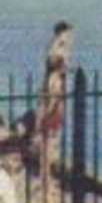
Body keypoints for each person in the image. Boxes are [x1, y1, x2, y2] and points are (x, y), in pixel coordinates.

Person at [34, 53, 67, 181]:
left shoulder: (48, 78)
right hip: (52, 112)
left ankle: (44, 171)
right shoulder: (56, 79)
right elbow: (53, 98)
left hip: (50, 111)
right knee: (49, 142)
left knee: (45, 142)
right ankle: (46, 172)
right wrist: (47, 112)